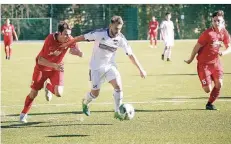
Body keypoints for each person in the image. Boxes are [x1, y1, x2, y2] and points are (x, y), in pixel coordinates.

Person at [61, 15, 147, 120]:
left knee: (118, 87)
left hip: (110, 66)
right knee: (95, 94)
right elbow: (81, 37)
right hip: (95, 68)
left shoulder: (120, 38)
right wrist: (67, 44)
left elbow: (130, 55)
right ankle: (85, 101)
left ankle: (117, 111)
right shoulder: (99, 34)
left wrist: (140, 69)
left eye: (120, 29)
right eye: (116, 28)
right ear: (110, 25)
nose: (118, 31)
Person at [19, 21, 83, 123]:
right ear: (59, 33)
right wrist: (54, 65)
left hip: (57, 69)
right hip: (41, 68)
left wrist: (78, 52)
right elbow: (40, 60)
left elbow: (74, 47)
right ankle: (23, 114)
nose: (68, 36)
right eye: (66, 34)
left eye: (70, 34)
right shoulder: (50, 39)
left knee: (59, 93)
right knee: (33, 93)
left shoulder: (69, 39)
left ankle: (48, 87)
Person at [184, 10, 231, 110]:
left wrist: (223, 52)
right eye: (214, 21)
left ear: (223, 22)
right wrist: (190, 59)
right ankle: (209, 79)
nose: (216, 22)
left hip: (216, 63)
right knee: (207, 89)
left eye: (218, 20)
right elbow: (196, 47)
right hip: (203, 65)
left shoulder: (224, 32)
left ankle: (209, 104)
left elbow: (229, 47)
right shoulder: (207, 34)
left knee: (219, 84)